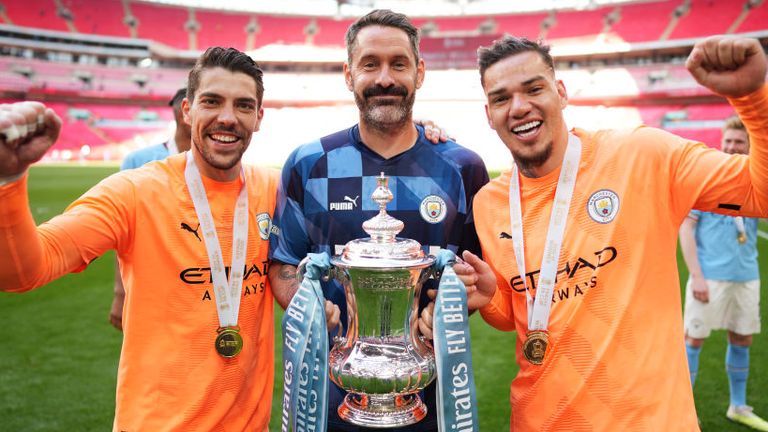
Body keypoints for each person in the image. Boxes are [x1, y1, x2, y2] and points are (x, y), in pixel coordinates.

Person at [453, 35, 768, 431]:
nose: (519, 107)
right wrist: (488, 297)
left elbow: (760, 192)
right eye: (501, 98)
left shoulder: (642, 155)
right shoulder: (490, 203)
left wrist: (754, 98)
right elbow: (515, 312)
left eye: (534, 89)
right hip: (537, 420)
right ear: (489, 113)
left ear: (561, 92)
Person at [0, 47, 278, 431]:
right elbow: (23, 272)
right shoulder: (134, 191)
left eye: (243, 105)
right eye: (211, 102)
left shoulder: (274, 189)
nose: (227, 118)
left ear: (259, 117)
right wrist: (7, 181)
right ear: (187, 110)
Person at [267, 9, 489, 432]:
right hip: (328, 397)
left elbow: (474, 275)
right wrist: (314, 309)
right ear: (349, 74)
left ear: (419, 72)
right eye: (370, 64)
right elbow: (282, 266)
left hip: (431, 396)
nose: (385, 78)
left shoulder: (461, 168)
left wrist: (446, 310)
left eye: (398, 64)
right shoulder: (309, 164)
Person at [681, 116, 768, 431]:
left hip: (746, 277)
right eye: (728, 141)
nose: (731, 147)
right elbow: (686, 230)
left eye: (738, 143)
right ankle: (682, 412)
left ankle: (738, 406)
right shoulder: (706, 181)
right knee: (693, 339)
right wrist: (698, 276)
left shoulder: (757, 183)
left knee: (742, 338)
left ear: (749, 146)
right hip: (709, 277)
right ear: (722, 142)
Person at [109, 87, 192, 331]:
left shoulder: (218, 163)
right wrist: (120, 292)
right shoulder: (137, 161)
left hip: (201, 285)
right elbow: (122, 229)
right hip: (149, 285)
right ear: (183, 114)